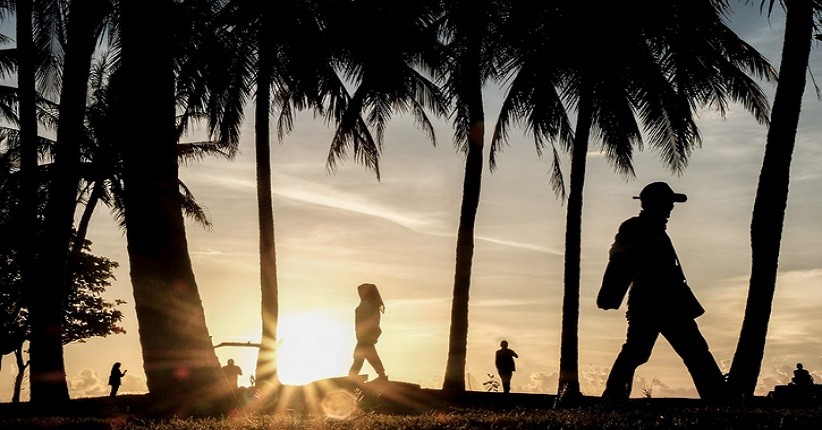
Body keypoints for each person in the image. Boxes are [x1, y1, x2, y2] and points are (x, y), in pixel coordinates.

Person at [597, 182, 726, 402]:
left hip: (665, 302)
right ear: (652, 205)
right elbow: (626, 260)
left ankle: (718, 396)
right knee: (643, 352)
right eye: (667, 204)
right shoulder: (636, 228)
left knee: (690, 351)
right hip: (653, 301)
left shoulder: (654, 231)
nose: (670, 209)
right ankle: (614, 396)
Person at [348, 283, 388, 381]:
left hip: (364, 335)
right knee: (366, 356)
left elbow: (365, 322)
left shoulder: (367, 305)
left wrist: (363, 335)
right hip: (368, 335)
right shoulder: (373, 305)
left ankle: (351, 377)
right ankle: (381, 375)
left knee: (361, 356)